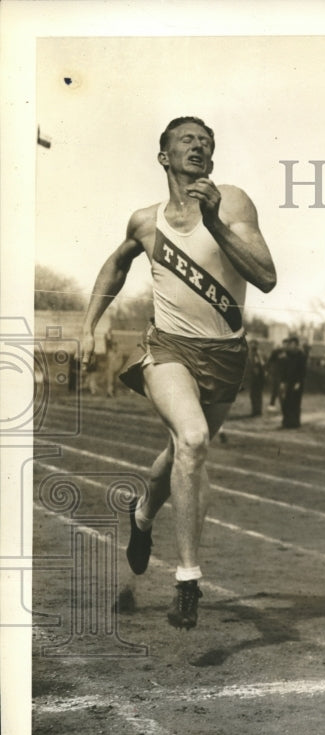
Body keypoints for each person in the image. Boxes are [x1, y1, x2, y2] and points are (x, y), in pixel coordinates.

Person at [80, 116, 277, 629]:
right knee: (192, 440)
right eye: (187, 140)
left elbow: (266, 277)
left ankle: (142, 516)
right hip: (168, 348)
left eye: (206, 142)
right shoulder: (146, 221)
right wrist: (88, 326)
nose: (199, 146)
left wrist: (214, 224)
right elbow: (116, 265)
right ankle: (188, 582)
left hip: (225, 355)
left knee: (177, 454)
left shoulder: (232, 203)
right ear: (165, 156)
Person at [278, 336, 307, 428]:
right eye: (290, 344)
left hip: (297, 383)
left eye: (293, 344)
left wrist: (298, 382)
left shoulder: (301, 356)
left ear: (296, 345)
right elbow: (283, 370)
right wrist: (282, 382)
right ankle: (286, 422)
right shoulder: (286, 355)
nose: (291, 346)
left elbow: (302, 370)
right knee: (286, 403)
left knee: (295, 403)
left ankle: (295, 423)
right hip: (287, 382)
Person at [245, 339, 266, 416]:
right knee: (253, 394)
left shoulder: (258, 354)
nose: (253, 345)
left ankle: (257, 410)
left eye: (254, 344)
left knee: (257, 394)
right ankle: (255, 410)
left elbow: (261, 364)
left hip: (258, 377)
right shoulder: (250, 354)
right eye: (251, 344)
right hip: (252, 377)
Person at [266, 338, 287, 410]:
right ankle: (275, 405)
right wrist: (268, 370)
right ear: (282, 344)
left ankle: (279, 405)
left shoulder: (289, 353)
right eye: (285, 344)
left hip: (285, 374)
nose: (286, 346)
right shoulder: (277, 351)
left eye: (287, 344)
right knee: (277, 389)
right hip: (277, 373)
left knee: (281, 390)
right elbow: (270, 361)